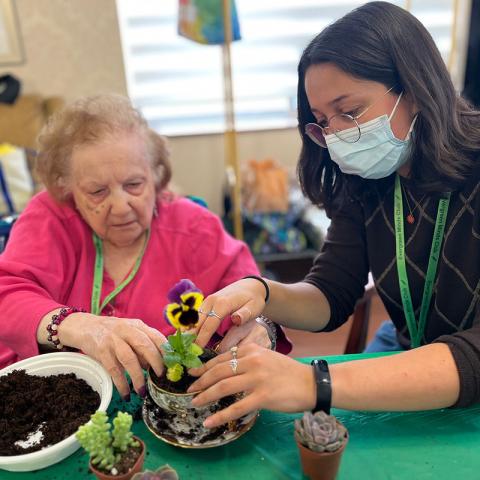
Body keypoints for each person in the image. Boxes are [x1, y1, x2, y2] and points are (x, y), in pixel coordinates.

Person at [188, 1, 480, 429]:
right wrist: (263, 292)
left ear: (414, 90)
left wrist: (316, 382)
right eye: (323, 122)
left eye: (351, 112)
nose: (338, 136)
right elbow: (331, 292)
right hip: (410, 355)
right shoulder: (368, 179)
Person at [0, 94, 288, 400]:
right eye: (97, 191)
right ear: (67, 187)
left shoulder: (196, 228)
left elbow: (256, 300)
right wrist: (76, 325)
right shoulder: (50, 217)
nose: (121, 206)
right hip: (55, 400)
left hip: (174, 406)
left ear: (156, 175)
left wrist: (261, 328)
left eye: (134, 185)